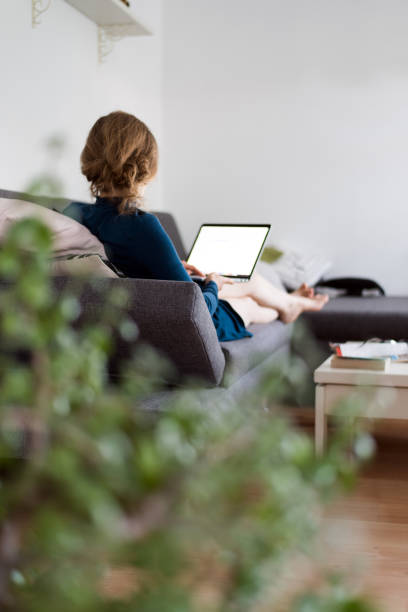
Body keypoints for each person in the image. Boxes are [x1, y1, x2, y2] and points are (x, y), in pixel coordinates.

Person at [64, 111, 328, 342]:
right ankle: (290, 306)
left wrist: (173, 263)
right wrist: (212, 284)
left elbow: (128, 262)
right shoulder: (141, 225)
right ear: (146, 167)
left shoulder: (74, 215)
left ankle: (292, 300)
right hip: (193, 319)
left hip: (156, 304)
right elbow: (196, 308)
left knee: (254, 281)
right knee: (249, 302)